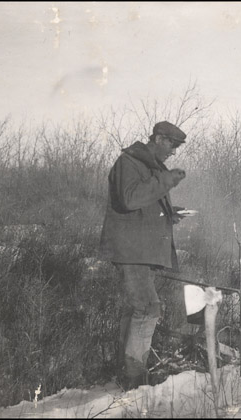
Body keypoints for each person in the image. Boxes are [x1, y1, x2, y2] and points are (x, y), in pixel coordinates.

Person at [99, 121, 188, 389]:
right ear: (158, 139)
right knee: (148, 308)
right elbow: (130, 199)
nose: (173, 151)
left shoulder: (147, 166)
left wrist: (169, 213)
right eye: (172, 144)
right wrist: (166, 179)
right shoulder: (129, 162)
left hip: (139, 249)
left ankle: (127, 372)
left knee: (137, 309)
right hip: (131, 250)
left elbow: (142, 204)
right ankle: (135, 378)